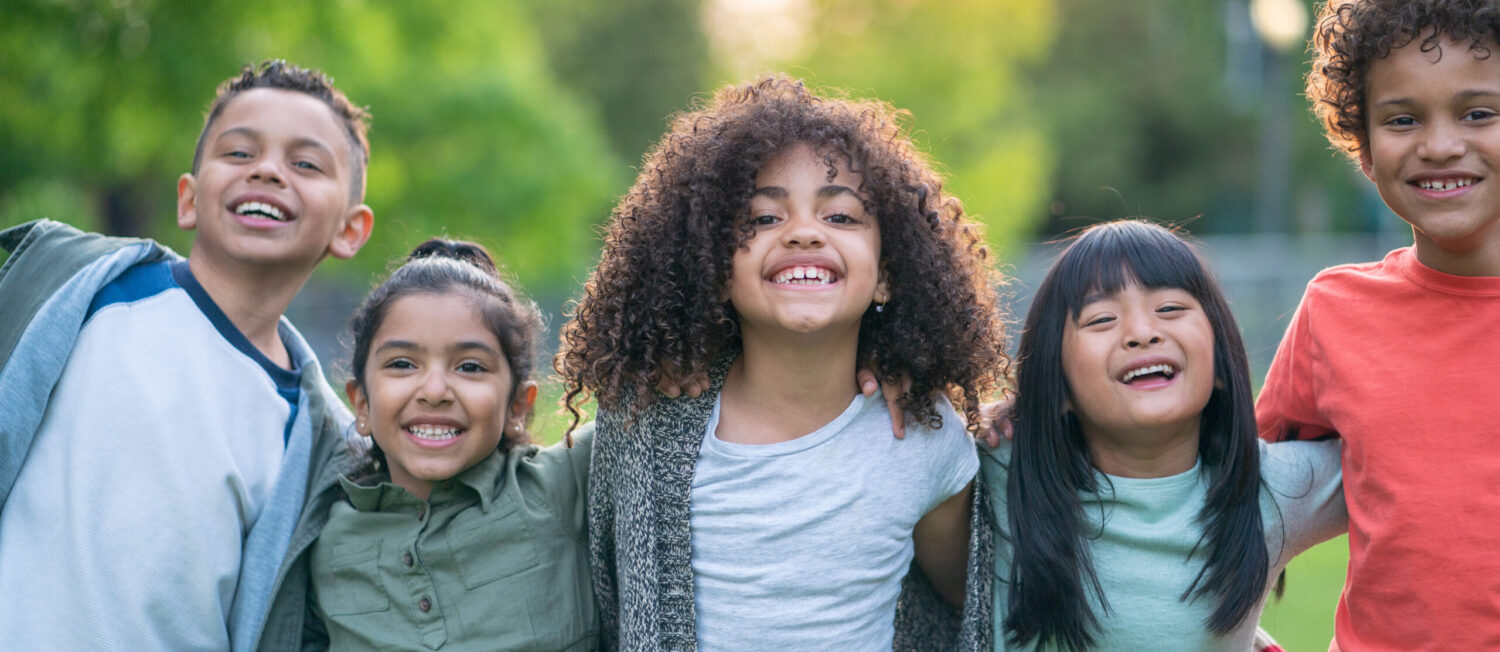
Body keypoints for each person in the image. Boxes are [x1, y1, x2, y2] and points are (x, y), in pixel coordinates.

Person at [557, 74, 1010, 651]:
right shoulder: (648, 419)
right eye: (763, 218)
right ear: (713, 268)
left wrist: (1025, 411)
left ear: (889, 274)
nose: (802, 233)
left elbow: (970, 600)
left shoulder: (925, 433)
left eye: (841, 217)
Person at [0, 60, 374, 650]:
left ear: (350, 230)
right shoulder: (84, 294)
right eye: (238, 153)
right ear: (189, 199)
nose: (269, 171)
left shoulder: (323, 444)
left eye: (305, 164)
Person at [1256, 1, 1500, 648]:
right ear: (1363, 149)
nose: (1441, 145)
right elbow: (1220, 492)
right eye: (1402, 119)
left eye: (1479, 113)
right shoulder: (1334, 314)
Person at [985, 220, 1345, 650]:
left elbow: (1408, 456)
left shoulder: (1273, 487)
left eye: (1171, 309)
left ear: (1220, 364)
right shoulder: (997, 469)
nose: (1142, 333)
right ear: (1056, 383)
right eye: (1101, 319)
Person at [267, 239, 596, 651]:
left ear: (517, 406)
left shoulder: (563, 487)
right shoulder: (326, 537)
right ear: (362, 405)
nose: (435, 390)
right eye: (402, 364)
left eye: (470, 366)